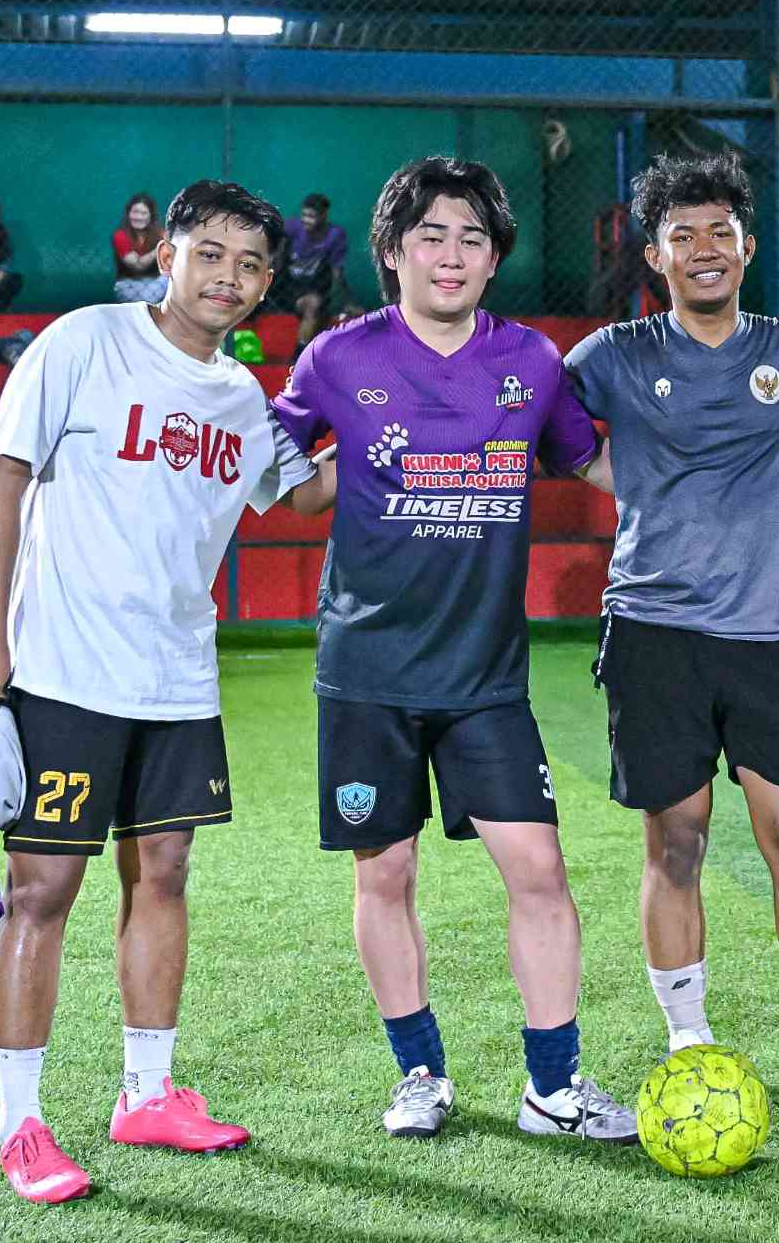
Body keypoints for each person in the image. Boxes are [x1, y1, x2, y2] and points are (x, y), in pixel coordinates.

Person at [0, 179, 333, 1203]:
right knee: (42, 889)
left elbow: (306, 493)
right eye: (210, 254)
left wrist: (406, 408)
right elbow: (2, 479)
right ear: (166, 255)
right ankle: (21, 1123)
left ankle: (147, 1095)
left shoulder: (242, 397)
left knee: (163, 872)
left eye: (251, 265)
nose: (229, 279)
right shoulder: (84, 342)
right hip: (63, 668)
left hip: (177, 678)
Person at [271, 157, 636, 1146]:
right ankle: (420, 1074)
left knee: (539, 868)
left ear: (493, 259)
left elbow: (589, 459)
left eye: (472, 237)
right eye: (430, 234)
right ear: (391, 252)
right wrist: (325, 474)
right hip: (367, 672)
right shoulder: (338, 359)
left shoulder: (531, 362)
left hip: (484, 678)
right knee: (384, 876)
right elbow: (280, 474)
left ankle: (552, 1087)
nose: (451, 254)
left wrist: (707, 467)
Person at [564, 151, 779, 1122]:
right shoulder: (612, 357)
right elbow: (538, 422)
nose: (704, 248)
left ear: (747, 247)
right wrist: (628, 482)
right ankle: (688, 1045)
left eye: (721, 232)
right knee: (677, 844)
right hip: (654, 633)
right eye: (682, 234)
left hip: (768, 638)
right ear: (655, 255)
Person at [270, 192, 349, 353]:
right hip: (286, 287)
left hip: (313, 288)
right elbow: (275, 259)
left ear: (324, 216)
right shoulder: (292, 228)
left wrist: (347, 300)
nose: (306, 220)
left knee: (312, 305)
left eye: (311, 216)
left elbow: (337, 273)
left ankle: (299, 354)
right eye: (304, 215)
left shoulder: (334, 236)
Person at [111, 193, 167, 305]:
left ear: (150, 216)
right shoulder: (120, 236)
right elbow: (138, 266)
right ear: (128, 214)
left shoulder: (160, 233)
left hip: (155, 282)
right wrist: (161, 247)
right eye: (135, 212)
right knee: (145, 302)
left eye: (143, 213)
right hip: (128, 284)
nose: (139, 217)